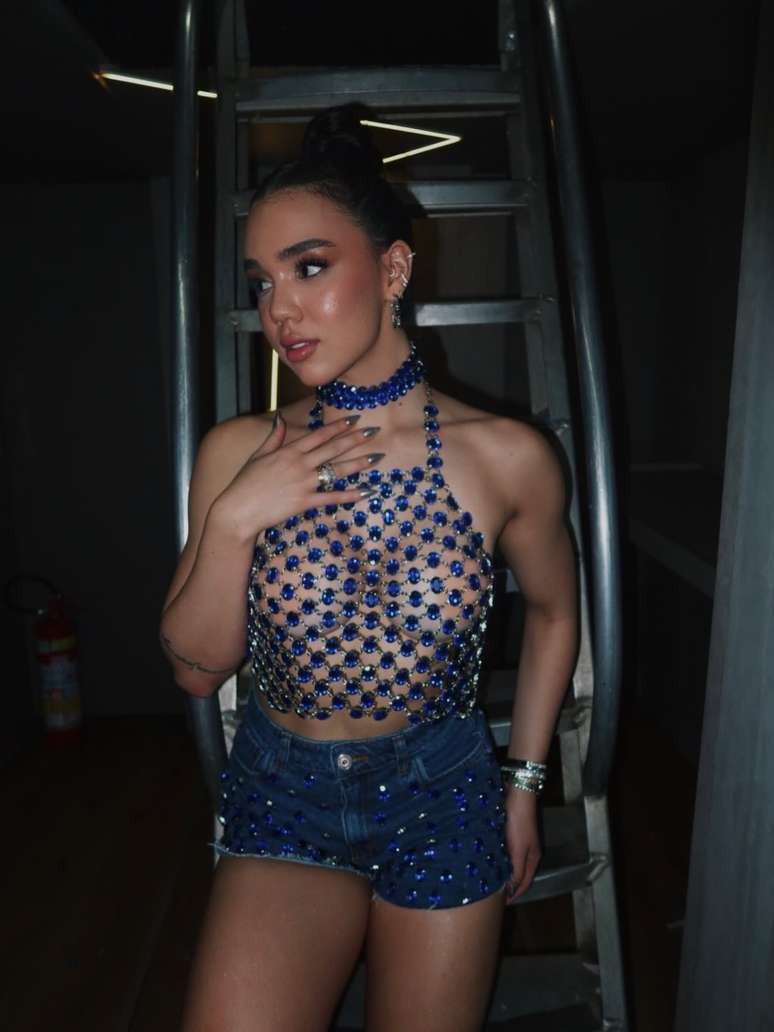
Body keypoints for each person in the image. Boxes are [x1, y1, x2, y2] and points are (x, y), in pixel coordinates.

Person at [160, 103, 577, 1032]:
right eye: (263, 282)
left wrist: (523, 785)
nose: (279, 310)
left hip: (444, 798)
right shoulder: (238, 451)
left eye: (309, 267)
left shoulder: (508, 457)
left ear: (393, 270)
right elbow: (194, 669)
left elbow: (554, 613)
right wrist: (235, 520)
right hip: (284, 798)